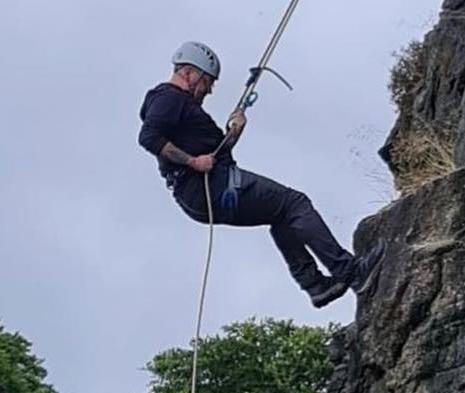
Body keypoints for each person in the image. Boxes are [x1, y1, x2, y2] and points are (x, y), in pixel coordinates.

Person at [138, 40, 385, 307]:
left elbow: (217, 153)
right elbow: (149, 137)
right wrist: (193, 162)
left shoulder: (182, 107)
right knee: (294, 203)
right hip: (208, 186)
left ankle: (317, 286)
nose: (209, 90)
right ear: (189, 72)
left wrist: (235, 131)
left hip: (203, 191)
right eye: (207, 81)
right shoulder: (168, 97)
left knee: (280, 216)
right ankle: (351, 272)